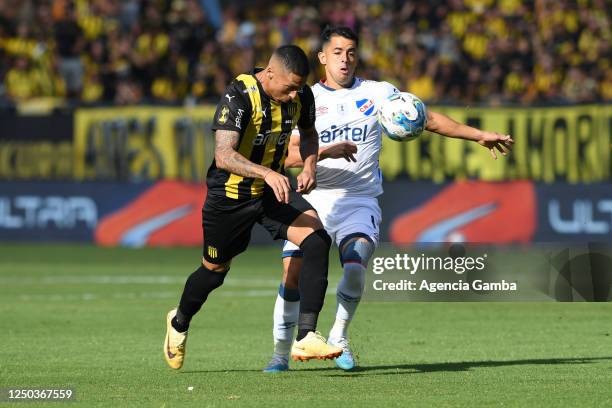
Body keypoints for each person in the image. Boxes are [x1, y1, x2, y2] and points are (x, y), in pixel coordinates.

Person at [263, 27, 514, 372]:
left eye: (351, 52)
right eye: (337, 52)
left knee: (355, 265)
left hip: (360, 199)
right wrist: (325, 152)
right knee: (292, 273)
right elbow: (287, 157)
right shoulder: (304, 99)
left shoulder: (379, 93)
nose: (345, 59)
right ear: (322, 57)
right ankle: (279, 353)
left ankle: (339, 337)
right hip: (315, 199)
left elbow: (427, 119)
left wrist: (479, 135)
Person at [163, 45, 344, 370]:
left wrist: (310, 167)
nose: (292, 96)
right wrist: (267, 172)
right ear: (270, 73)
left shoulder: (301, 95)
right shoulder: (239, 96)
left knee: (317, 240)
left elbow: (309, 134)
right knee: (214, 272)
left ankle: (306, 336)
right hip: (229, 198)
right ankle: (179, 321)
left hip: (271, 193)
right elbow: (224, 155)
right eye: (288, 88)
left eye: (297, 89)